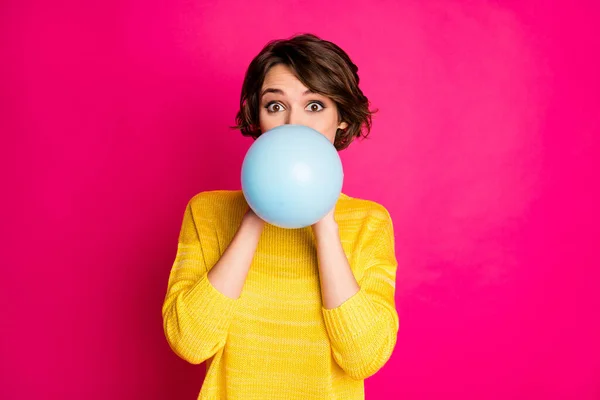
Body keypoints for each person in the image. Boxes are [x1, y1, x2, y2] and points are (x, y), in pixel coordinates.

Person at [162, 33, 399, 400]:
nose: (293, 124)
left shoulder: (368, 222)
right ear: (257, 118)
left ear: (341, 120)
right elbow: (191, 343)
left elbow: (362, 358)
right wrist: (257, 213)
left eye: (315, 106)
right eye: (275, 106)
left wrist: (323, 220)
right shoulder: (207, 212)